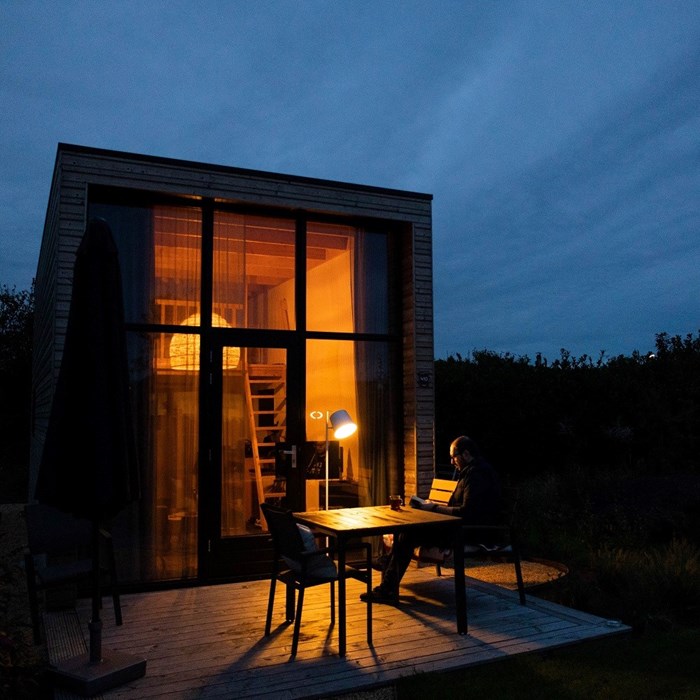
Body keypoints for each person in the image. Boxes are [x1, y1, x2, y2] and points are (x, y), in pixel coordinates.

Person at [361, 435, 501, 604]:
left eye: (453, 456)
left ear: (465, 454)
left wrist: (433, 508)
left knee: (408, 534)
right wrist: (431, 505)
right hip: (458, 528)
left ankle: (387, 584)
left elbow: (467, 513)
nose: (452, 462)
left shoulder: (478, 474)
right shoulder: (471, 471)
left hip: (470, 533)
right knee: (405, 531)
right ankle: (388, 571)